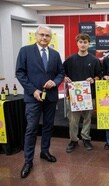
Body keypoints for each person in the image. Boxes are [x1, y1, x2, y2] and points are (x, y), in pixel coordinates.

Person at [16, 25, 64, 178]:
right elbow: (20, 73)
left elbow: (61, 73)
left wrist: (55, 82)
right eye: (42, 35)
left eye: (47, 36)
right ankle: (28, 161)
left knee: (48, 126)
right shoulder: (25, 51)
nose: (44, 38)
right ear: (36, 36)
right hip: (33, 97)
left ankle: (45, 151)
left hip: (50, 97)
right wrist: (33, 90)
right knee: (31, 129)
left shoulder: (55, 54)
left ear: (50, 38)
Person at [63, 33, 101, 153]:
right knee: (73, 120)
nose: (83, 44)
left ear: (88, 44)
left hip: (89, 95)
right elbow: (62, 73)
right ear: (77, 43)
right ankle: (73, 140)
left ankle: (86, 138)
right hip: (74, 95)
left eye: (85, 42)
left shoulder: (94, 60)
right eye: (81, 42)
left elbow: (99, 76)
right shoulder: (69, 60)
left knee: (87, 118)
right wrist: (65, 78)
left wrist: (93, 79)